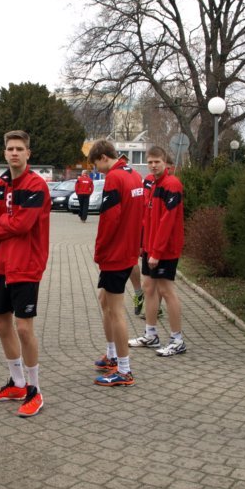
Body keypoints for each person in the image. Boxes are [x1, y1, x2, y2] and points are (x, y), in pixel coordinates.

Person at [0, 130, 51, 417]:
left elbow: (23, 225)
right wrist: (3, 223)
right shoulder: (0, 186)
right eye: (10, 148)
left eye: (19, 149)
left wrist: (2, 222)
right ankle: (18, 384)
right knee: (1, 323)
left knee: (23, 328)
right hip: (2, 263)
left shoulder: (36, 186)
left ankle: (35, 390)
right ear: (5, 152)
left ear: (28, 153)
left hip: (27, 264)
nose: (14, 153)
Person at [88, 141, 145, 386]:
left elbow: (109, 219)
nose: (97, 170)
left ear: (103, 157)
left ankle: (123, 370)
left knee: (115, 311)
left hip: (115, 254)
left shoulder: (114, 178)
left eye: (96, 165)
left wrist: (99, 250)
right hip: (128, 251)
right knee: (105, 301)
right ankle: (112, 355)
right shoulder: (134, 176)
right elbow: (141, 214)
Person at [129, 146, 186, 356]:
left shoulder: (172, 185)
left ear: (166, 163)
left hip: (165, 250)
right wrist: (143, 244)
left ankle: (177, 340)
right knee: (148, 287)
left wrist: (157, 252)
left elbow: (167, 221)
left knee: (166, 291)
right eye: (150, 162)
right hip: (150, 247)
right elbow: (146, 217)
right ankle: (151, 335)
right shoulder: (152, 183)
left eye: (157, 162)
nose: (153, 165)